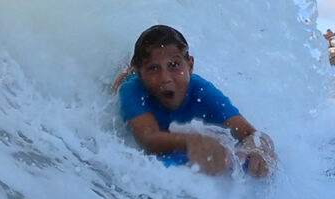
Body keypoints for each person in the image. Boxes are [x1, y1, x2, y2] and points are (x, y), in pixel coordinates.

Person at [114, 25, 276, 177]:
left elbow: (251, 134)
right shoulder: (133, 89)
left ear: (190, 66)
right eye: (154, 68)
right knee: (120, 82)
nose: (165, 78)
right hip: (130, 83)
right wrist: (193, 141)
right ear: (141, 74)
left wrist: (257, 148)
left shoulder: (201, 91)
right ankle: (127, 70)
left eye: (174, 65)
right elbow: (148, 139)